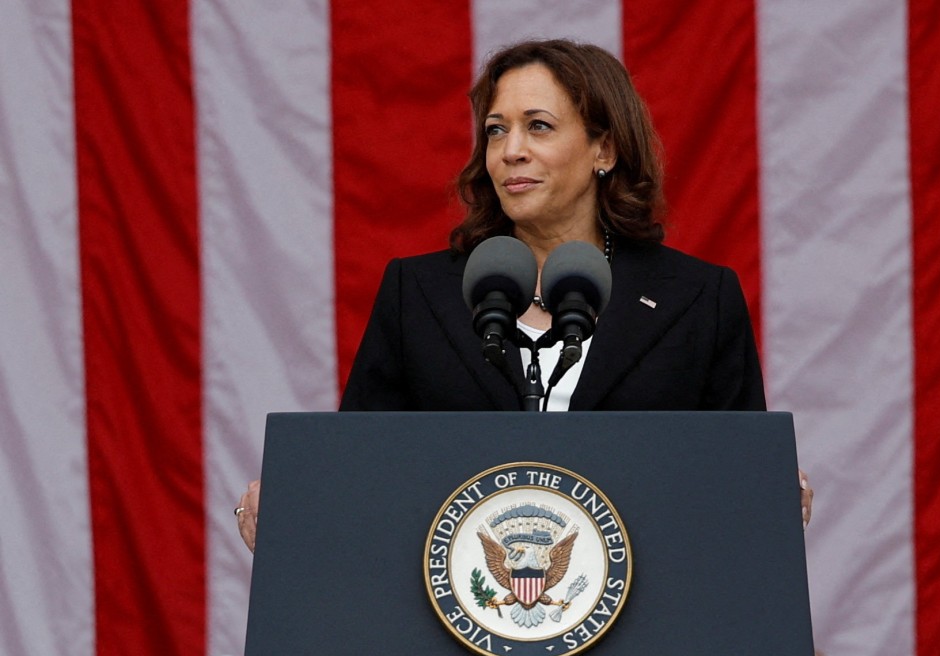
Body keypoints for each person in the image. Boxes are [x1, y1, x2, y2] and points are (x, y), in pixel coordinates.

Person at [236, 39, 813, 552]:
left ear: (603, 150)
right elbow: (361, 467)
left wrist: (767, 487)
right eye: (495, 129)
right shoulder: (419, 293)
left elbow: (732, 472)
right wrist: (294, 500)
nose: (510, 150)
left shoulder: (697, 298)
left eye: (538, 126)